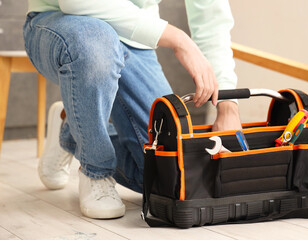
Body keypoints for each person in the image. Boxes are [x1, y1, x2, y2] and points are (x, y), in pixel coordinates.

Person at [23, 0, 241, 219]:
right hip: (64, 25)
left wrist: (227, 105)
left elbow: (211, 18)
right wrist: (179, 39)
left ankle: (71, 128)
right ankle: (96, 171)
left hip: (135, 38)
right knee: (96, 42)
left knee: (168, 177)